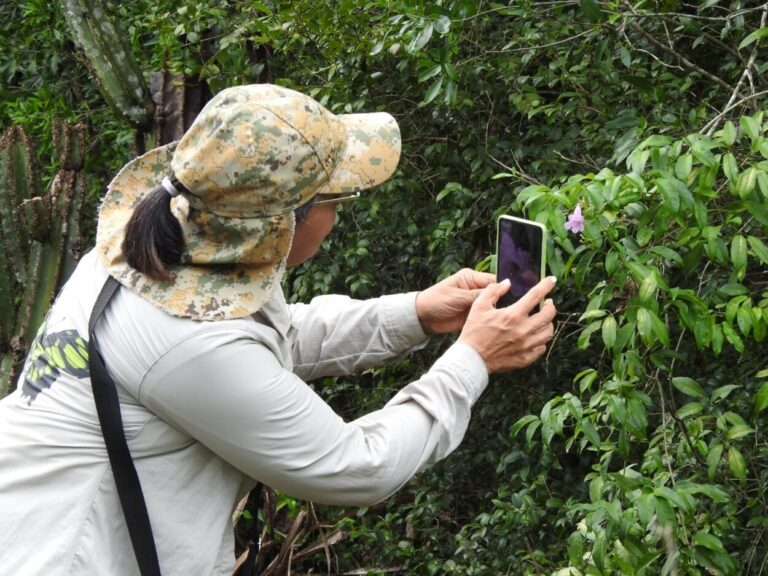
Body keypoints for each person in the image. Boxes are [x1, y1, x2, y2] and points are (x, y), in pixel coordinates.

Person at [0, 84, 557, 575]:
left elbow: (261, 344)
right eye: (337, 199)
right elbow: (356, 467)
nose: (339, 217)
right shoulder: (189, 343)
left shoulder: (153, 239)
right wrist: (473, 360)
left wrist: (414, 313)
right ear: (282, 223)